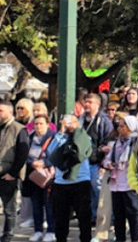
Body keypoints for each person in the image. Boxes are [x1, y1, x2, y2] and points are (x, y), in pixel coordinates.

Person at [48, 114, 93, 242]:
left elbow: (80, 153)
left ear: (77, 123)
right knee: (61, 217)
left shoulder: (84, 137)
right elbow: (51, 152)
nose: (69, 125)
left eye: (72, 122)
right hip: (61, 182)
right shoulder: (59, 138)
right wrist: (61, 132)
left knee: (84, 216)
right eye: (66, 122)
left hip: (80, 181)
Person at [104, 115, 138, 242]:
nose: (119, 129)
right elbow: (108, 158)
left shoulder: (137, 142)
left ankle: (134, 239)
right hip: (116, 183)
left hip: (130, 183)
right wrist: (108, 164)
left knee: (133, 213)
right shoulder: (117, 143)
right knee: (118, 215)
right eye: (119, 126)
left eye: (122, 126)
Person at [0, 101, 29, 242]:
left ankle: (8, 235)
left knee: (9, 209)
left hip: (8, 175)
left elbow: (22, 154)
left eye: (1, 111)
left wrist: (12, 173)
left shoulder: (19, 129)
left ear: (10, 112)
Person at [25, 114, 54, 242]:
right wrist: (31, 163)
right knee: (36, 204)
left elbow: (57, 155)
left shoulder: (53, 137)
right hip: (33, 174)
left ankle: (51, 231)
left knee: (49, 204)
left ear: (47, 125)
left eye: (41, 123)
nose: (38, 126)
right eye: (36, 124)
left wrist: (45, 163)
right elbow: (24, 153)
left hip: (48, 175)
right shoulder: (30, 138)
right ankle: (37, 230)